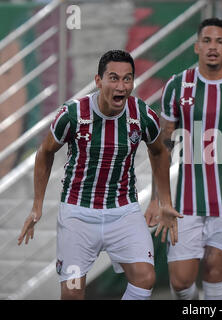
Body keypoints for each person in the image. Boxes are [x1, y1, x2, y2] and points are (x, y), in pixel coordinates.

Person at [17, 50, 182, 300]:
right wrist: (37, 205)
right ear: (98, 81)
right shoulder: (73, 113)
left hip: (123, 211)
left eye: (127, 79)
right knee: (72, 293)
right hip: (78, 214)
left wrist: (160, 201)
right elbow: (45, 152)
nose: (121, 86)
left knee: (145, 278)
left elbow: (158, 152)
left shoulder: (142, 115)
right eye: (113, 78)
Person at [146, 18, 222, 300]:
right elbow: (162, 146)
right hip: (186, 202)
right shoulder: (178, 86)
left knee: (214, 270)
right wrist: (158, 198)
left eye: (220, 42)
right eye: (207, 41)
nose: (213, 47)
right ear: (197, 46)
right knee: (181, 280)